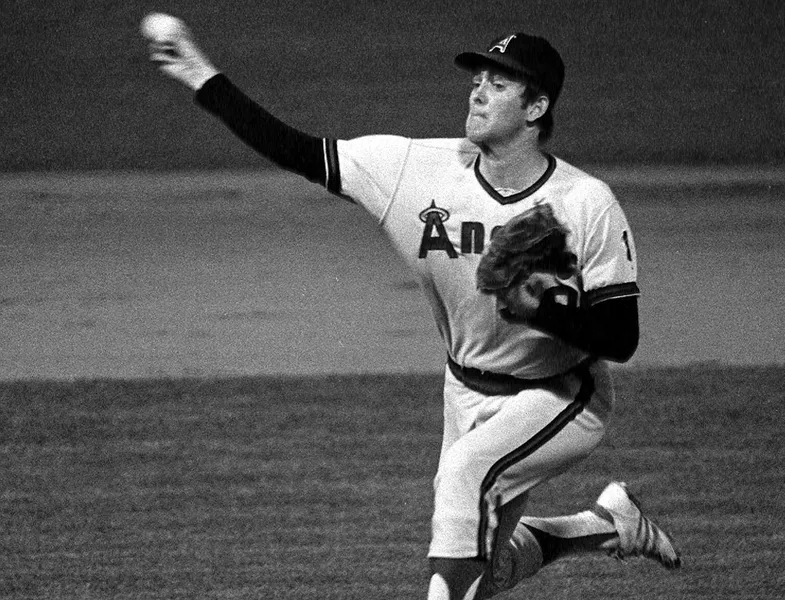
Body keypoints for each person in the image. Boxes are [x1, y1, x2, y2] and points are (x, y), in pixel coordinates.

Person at [146, 20, 681, 600]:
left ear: (537, 107)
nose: (477, 91)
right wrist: (201, 74)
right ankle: (607, 525)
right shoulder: (413, 170)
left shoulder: (586, 202)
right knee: (488, 569)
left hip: (559, 396)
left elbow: (621, 337)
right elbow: (293, 148)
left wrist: (543, 311)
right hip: (465, 390)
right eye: (478, 78)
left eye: (499, 84)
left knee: (463, 476)